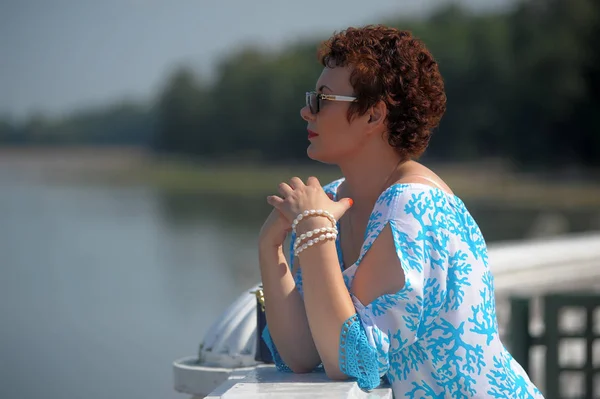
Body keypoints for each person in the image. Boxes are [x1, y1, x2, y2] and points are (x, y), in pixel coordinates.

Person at [258, 25, 543, 398]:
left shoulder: (413, 206)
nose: (306, 111)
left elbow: (355, 363)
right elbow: (302, 353)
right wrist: (270, 246)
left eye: (323, 100)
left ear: (374, 116)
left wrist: (314, 232)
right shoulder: (330, 204)